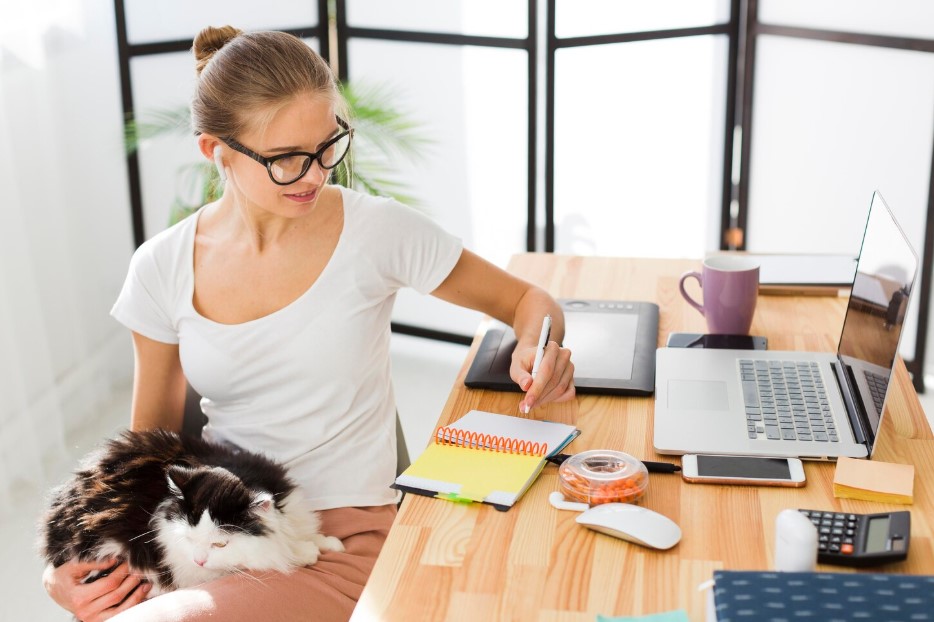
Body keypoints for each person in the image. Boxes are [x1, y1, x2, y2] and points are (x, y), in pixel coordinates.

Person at [43, 25, 574, 622]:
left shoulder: (376, 232)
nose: (317, 175)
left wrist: (540, 345)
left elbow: (529, 301)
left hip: (337, 541)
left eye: (327, 146)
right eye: (287, 160)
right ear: (216, 151)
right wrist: (61, 573)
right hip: (210, 537)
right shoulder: (162, 267)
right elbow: (143, 461)